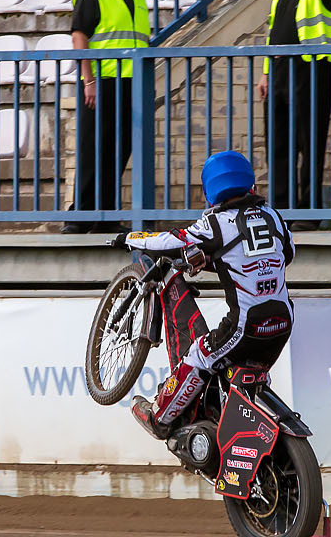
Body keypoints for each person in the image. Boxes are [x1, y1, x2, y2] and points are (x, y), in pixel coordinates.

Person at [127, 149, 297, 438]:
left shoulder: (216, 223)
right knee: (238, 375)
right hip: (283, 323)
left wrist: (130, 238)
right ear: (250, 184)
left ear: (210, 192)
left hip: (244, 327)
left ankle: (160, 418)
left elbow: (173, 240)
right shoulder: (274, 216)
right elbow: (288, 254)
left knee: (199, 355)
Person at [69, 0, 152, 231]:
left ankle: (105, 217)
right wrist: (88, 79)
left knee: (120, 151)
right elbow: (79, 35)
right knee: (94, 149)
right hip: (102, 81)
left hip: (133, 84)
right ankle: (79, 216)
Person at [257, 0, 331, 210]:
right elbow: (272, 30)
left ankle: (308, 209)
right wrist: (266, 72)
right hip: (279, 70)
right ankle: (282, 208)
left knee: (309, 142)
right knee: (277, 144)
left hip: (311, 70)